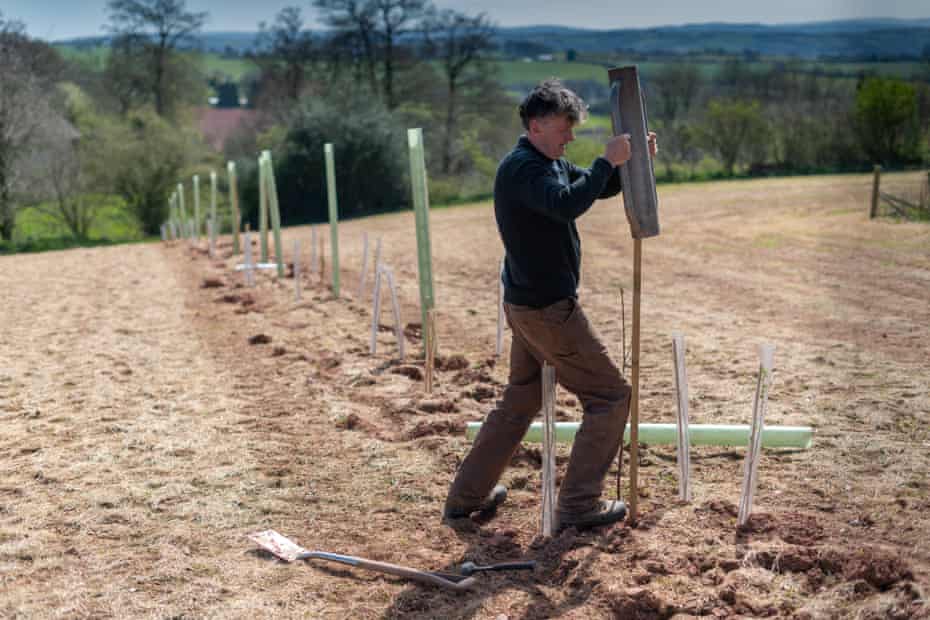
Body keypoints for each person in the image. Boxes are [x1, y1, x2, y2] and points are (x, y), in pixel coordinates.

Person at [443, 79, 657, 531]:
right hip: (546, 310)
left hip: (528, 307)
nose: (571, 137)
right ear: (537, 125)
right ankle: (579, 506)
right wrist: (606, 159)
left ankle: (466, 498)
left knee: (519, 402)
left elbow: (591, 189)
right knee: (610, 396)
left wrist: (627, 166)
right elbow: (565, 206)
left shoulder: (549, 161)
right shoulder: (523, 169)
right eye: (564, 128)